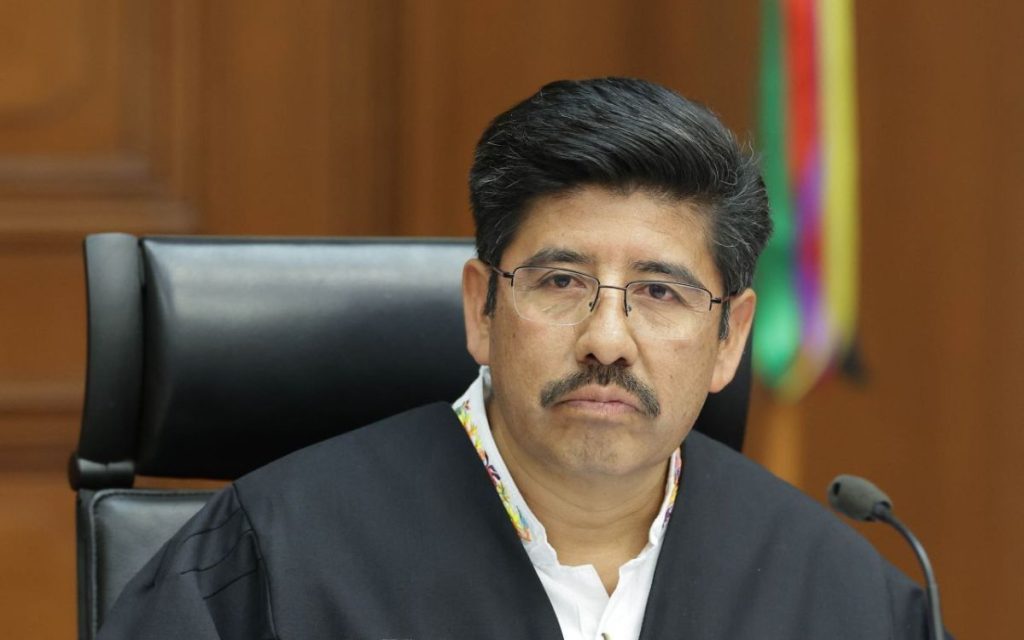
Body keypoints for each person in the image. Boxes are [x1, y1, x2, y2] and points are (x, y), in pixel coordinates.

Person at [97, 78, 939, 640]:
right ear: (482, 308)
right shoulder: (272, 559)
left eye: (659, 292)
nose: (607, 339)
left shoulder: (845, 597)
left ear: (730, 340)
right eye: (562, 281)